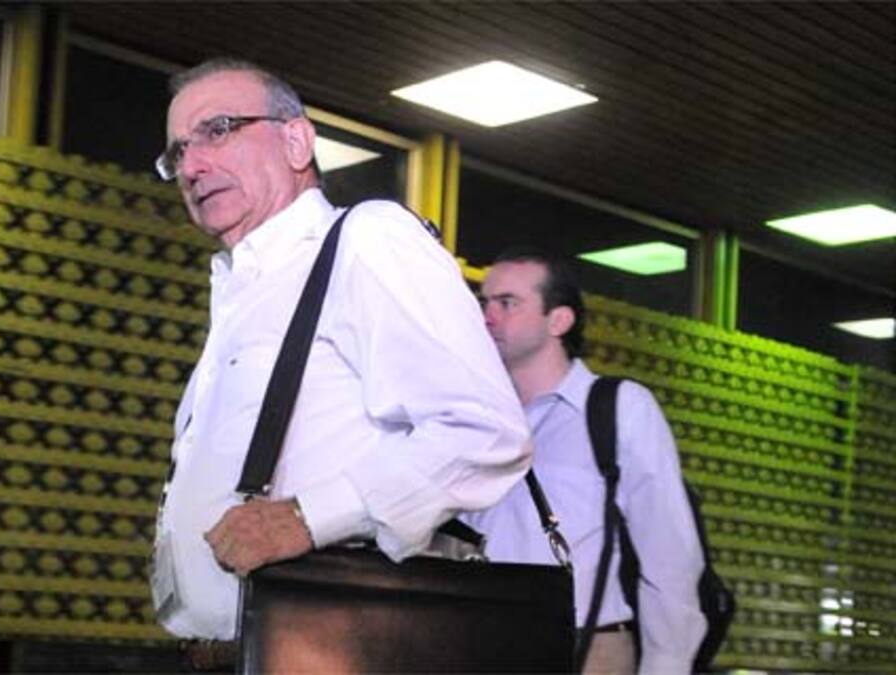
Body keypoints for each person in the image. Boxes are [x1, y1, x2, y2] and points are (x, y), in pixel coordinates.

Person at [149, 58, 532, 660]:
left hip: (326, 651)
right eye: (178, 153)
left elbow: (484, 431)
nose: (192, 166)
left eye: (217, 130)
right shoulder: (244, 294)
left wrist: (307, 518)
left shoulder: (367, 239)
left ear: (297, 141)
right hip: (232, 654)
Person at [464, 247, 706, 674]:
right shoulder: (475, 417)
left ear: (559, 320)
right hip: (480, 642)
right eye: (485, 303)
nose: (488, 317)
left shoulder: (618, 409)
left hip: (588, 649)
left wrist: (666, 665)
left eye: (507, 303)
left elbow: (669, 557)